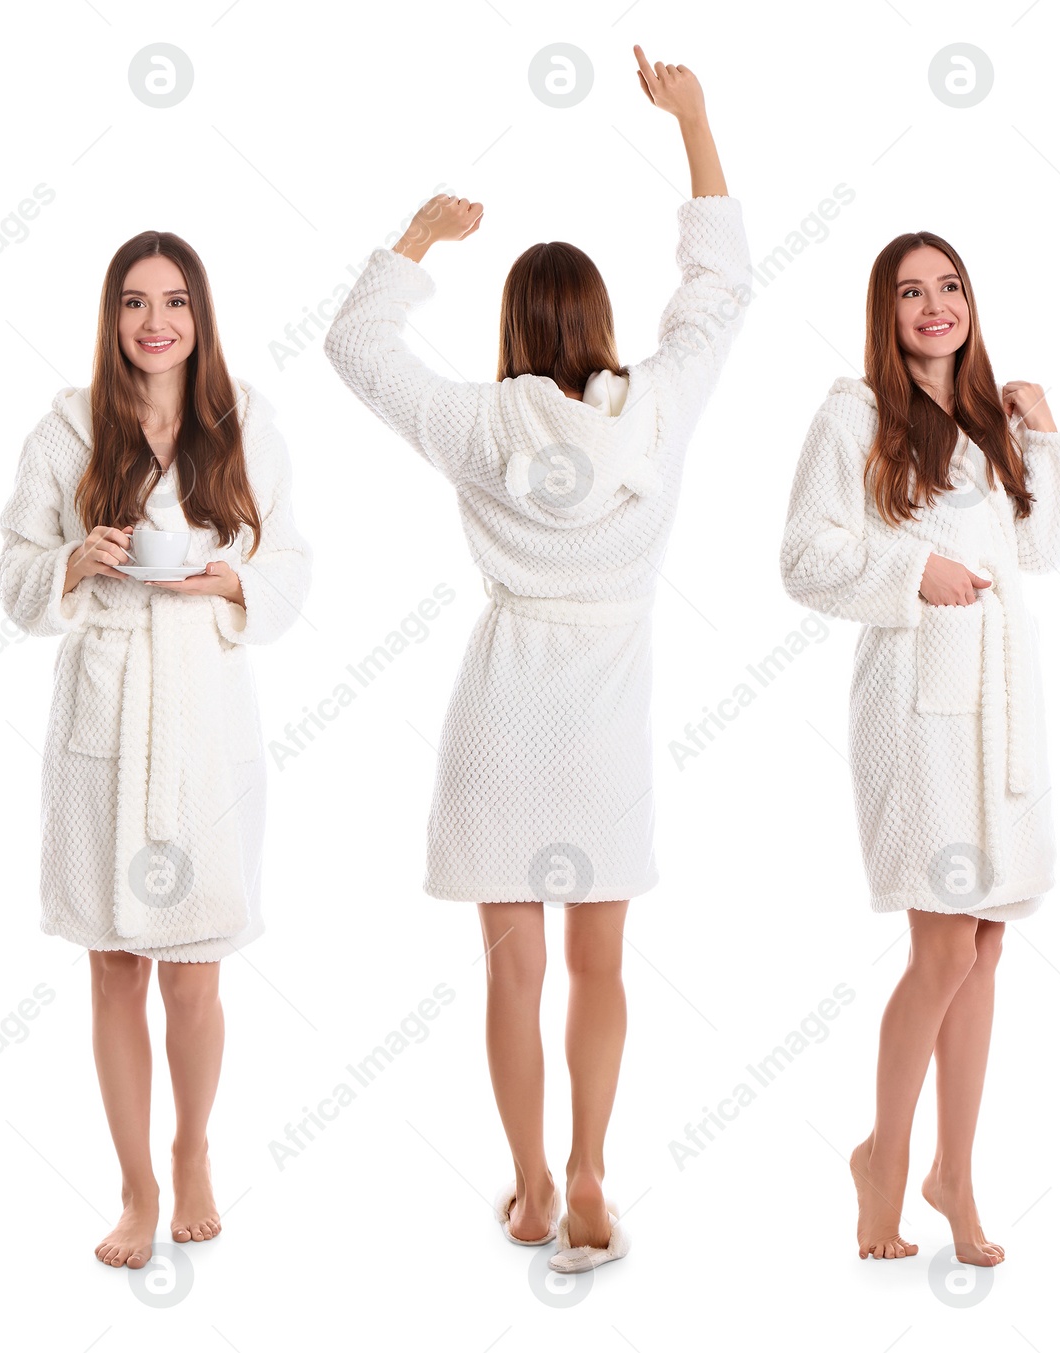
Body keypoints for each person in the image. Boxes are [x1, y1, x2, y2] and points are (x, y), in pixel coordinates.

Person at [322, 46, 749, 1272]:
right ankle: (591, 1176)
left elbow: (357, 348)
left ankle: (525, 1189)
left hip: (502, 709)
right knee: (599, 966)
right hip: (607, 715)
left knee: (512, 973)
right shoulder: (656, 412)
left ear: (512, 326)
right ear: (603, 326)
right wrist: (695, 120)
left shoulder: (472, 424)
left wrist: (416, 238)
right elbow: (719, 288)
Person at [0, 230, 313, 1269]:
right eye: (135, 302)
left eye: (174, 301)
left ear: (200, 315)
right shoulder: (65, 431)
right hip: (105, 712)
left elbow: (288, 560)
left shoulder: (243, 423)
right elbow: (12, 573)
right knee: (113, 967)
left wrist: (229, 582)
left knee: (196, 971)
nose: (154, 322)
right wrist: (73, 563)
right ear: (111, 315)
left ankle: (192, 1151)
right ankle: (134, 1185)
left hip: (205, 723)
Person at [779, 230, 1060, 1265]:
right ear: (886, 313)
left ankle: (951, 1174)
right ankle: (884, 1157)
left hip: (1001, 705)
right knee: (941, 944)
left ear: (969, 300)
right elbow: (805, 559)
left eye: (947, 286)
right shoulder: (854, 416)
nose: (932, 306)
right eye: (909, 292)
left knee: (986, 940)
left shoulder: (989, 420)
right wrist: (914, 572)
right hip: (917, 705)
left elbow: (1038, 552)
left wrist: (1044, 436)